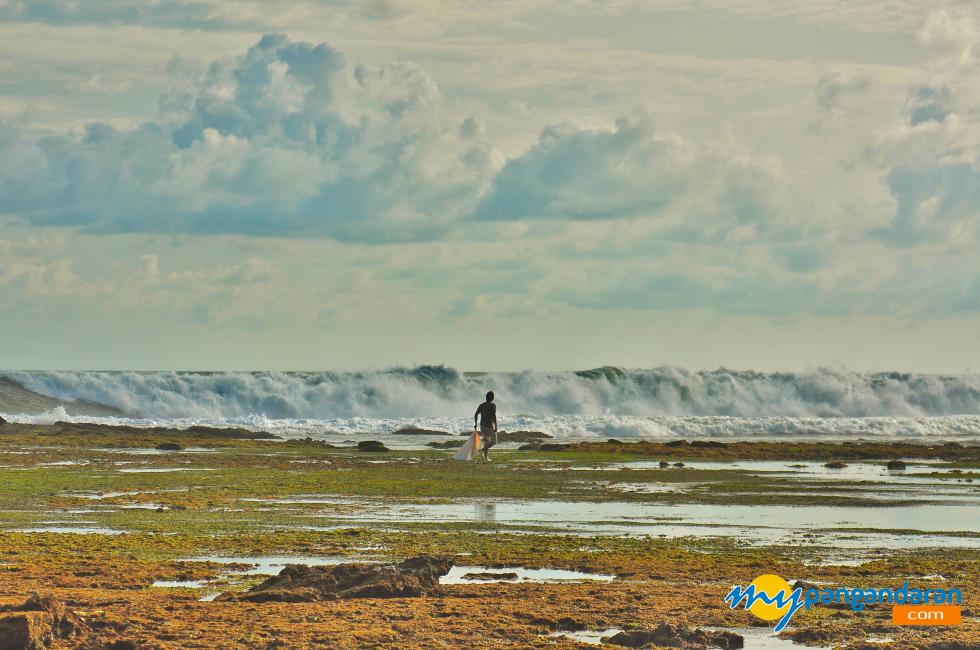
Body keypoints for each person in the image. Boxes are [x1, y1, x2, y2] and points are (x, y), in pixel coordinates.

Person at [474, 391, 497, 461]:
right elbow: (494, 416)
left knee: (486, 442)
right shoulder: (493, 405)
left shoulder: (481, 405)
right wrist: (496, 426)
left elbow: (476, 414)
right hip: (489, 426)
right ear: (492, 397)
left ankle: (485, 458)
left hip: (482, 426)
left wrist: (475, 423)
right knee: (493, 441)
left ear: (486, 397)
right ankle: (482, 450)